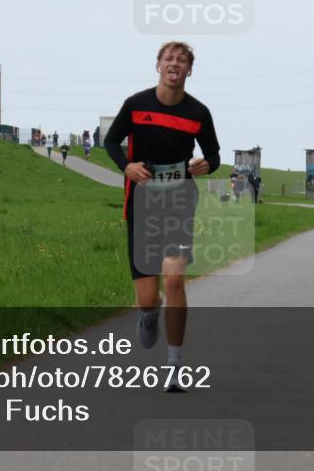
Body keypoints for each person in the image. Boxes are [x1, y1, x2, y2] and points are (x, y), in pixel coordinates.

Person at [103, 41, 220, 392]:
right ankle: (149, 313)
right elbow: (110, 141)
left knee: (173, 280)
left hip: (180, 201)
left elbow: (213, 155)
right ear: (158, 66)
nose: (175, 64)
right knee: (149, 296)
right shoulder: (136, 105)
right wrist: (128, 166)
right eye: (169, 58)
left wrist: (205, 165)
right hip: (142, 204)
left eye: (182, 60)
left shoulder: (199, 112)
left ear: (189, 71)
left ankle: (173, 365)